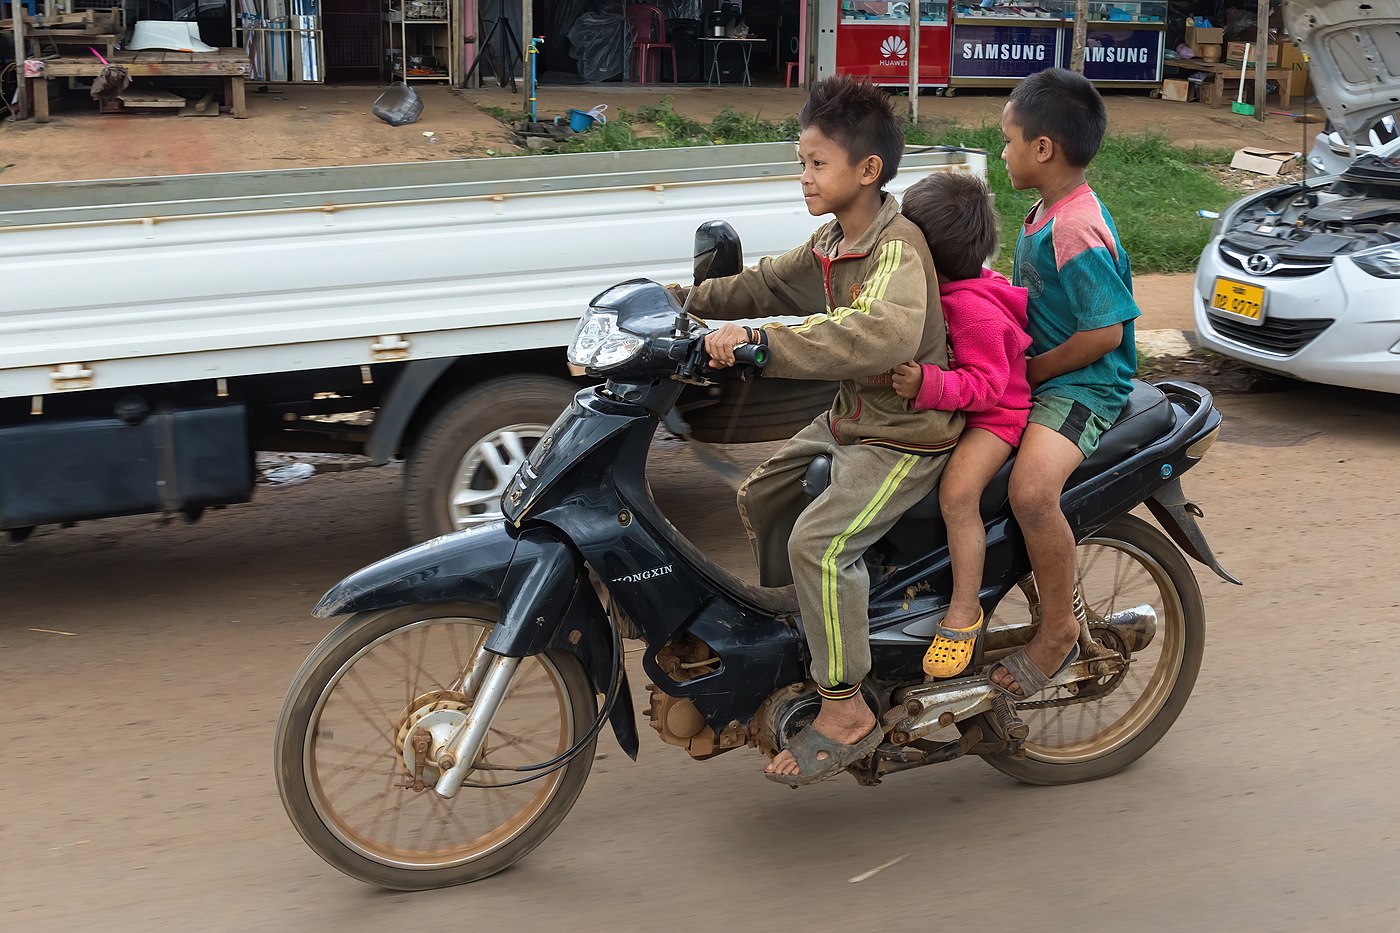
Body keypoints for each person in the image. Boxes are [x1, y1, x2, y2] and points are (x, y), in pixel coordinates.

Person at [682, 75, 964, 786]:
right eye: (802, 160)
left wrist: (762, 341)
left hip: (906, 433)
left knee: (822, 541)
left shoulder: (897, 249)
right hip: (852, 418)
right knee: (763, 494)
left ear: (867, 171)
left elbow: (878, 336)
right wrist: (682, 303)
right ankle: (802, 638)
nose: (803, 175)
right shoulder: (835, 241)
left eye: (816, 163)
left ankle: (845, 707)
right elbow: (769, 285)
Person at [988, 67, 1140, 699]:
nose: (1002, 151)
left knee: (1028, 493)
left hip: (1084, 384)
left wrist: (1031, 371)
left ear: (1042, 149)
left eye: (1008, 139)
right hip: (1047, 371)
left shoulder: (1074, 224)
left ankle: (1057, 632)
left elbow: (1105, 334)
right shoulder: (1043, 211)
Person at [890, 172, 1031, 679]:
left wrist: (927, 385)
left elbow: (988, 386)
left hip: (996, 419)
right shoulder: (945, 291)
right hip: (965, 413)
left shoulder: (968, 309)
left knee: (956, 495)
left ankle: (963, 612)